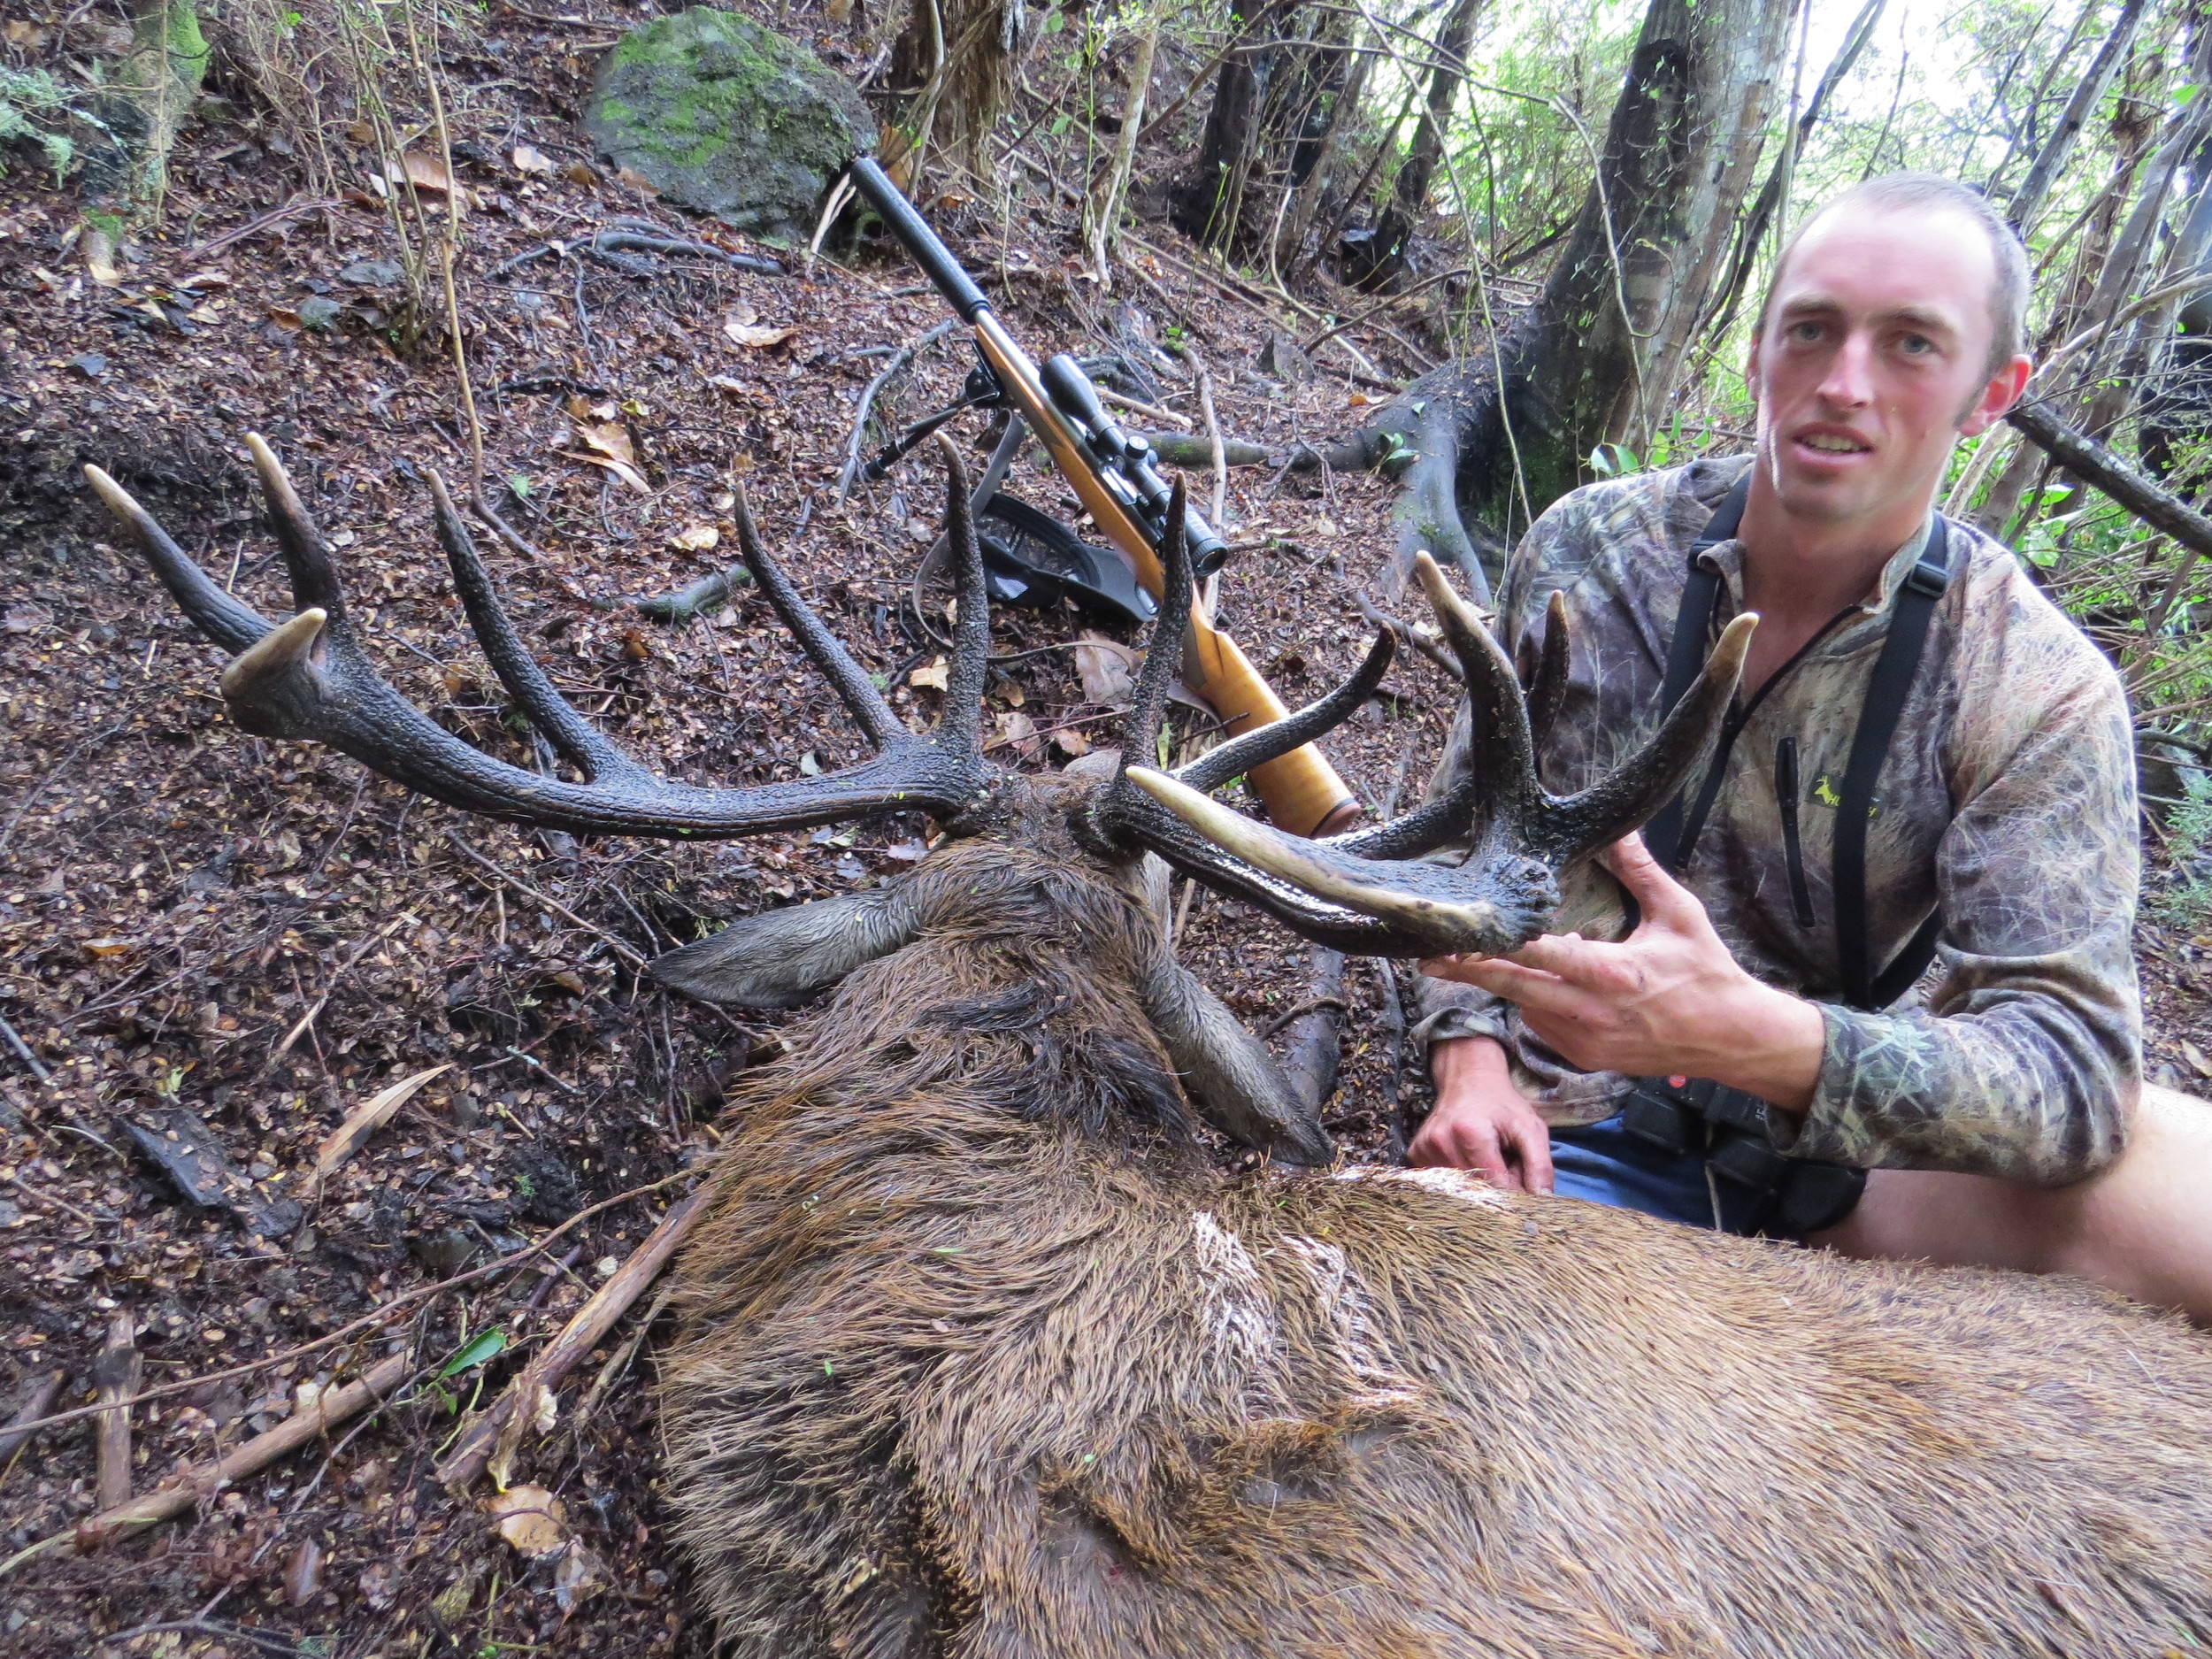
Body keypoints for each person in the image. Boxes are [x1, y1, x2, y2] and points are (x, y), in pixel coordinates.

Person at [1409, 172, 2212, 1322]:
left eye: (1912, 345)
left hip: (1866, 1175)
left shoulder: (2034, 684)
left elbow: (2074, 1074)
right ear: (1758, 351)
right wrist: (1469, 1058)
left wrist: (1761, 1042)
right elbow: (1461, 856)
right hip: (1569, 1123)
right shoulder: (1590, 552)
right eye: (1813, 330)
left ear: (1993, 395)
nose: (1844, 385)